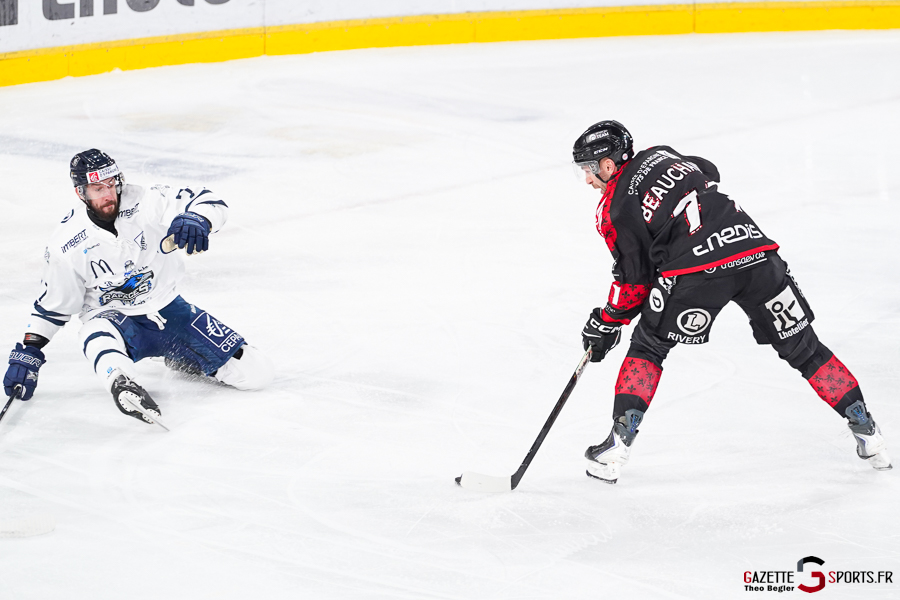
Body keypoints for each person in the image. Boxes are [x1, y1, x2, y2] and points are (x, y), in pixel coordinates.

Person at [573, 121, 891, 483]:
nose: (587, 180)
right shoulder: (662, 153)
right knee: (806, 349)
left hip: (697, 268)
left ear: (609, 165)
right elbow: (709, 170)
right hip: (754, 250)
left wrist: (608, 320)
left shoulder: (613, 209)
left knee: (649, 347)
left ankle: (616, 446)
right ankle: (868, 432)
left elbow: (635, 281)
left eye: (588, 169)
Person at [3, 149, 273, 426]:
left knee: (257, 373)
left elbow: (208, 200)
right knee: (96, 332)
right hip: (113, 319)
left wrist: (198, 219)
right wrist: (29, 352)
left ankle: (182, 358)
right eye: (97, 188)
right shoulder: (66, 244)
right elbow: (53, 308)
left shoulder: (147, 200)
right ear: (81, 193)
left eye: (111, 184)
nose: (108, 194)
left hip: (170, 310)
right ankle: (120, 383)